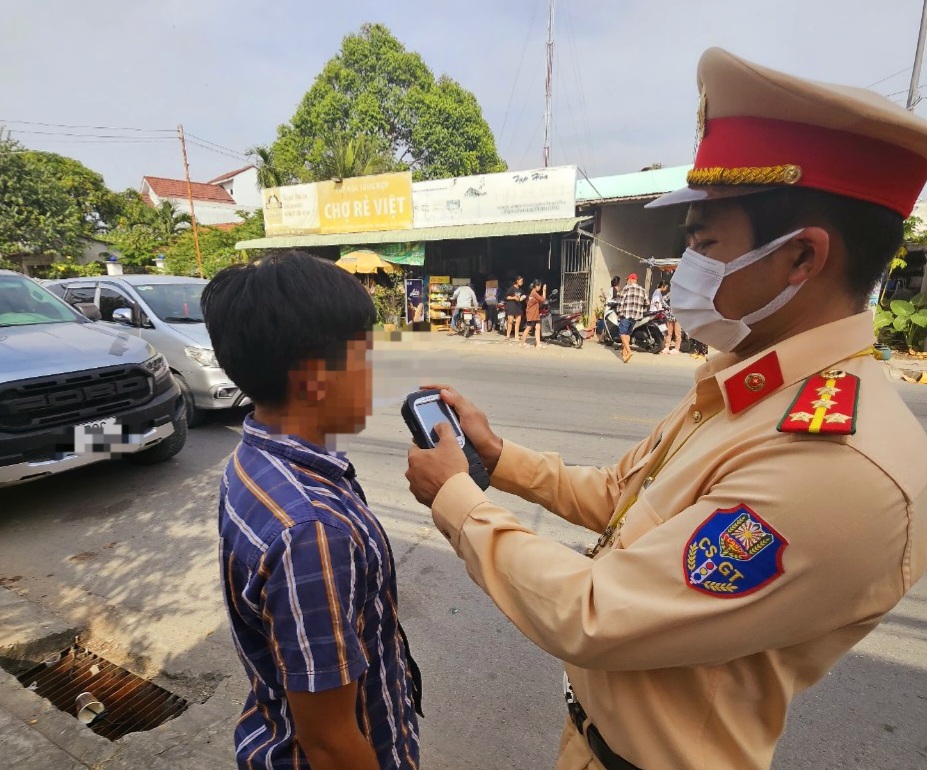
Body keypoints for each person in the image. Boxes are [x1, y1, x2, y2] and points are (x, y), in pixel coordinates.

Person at [404, 47, 927, 770]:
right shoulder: (747, 383)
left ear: (801, 258)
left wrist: (456, 499)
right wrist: (499, 461)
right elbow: (625, 497)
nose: (684, 271)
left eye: (704, 244)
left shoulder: (838, 458)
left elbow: (594, 610)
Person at [202, 252, 421, 770]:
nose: (376, 375)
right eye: (366, 357)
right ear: (316, 379)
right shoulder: (312, 530)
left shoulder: (255, 460)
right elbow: (328, 742)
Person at [615, 272, 648, 362]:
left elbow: (621, 302)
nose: (627, 281)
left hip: (626, 314)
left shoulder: (626, 288)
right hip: (635, 316)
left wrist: (619, 312)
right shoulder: (642, 290)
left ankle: (629, 351)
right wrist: (639, 308)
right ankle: (624, 351)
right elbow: (646, 303)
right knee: (628, 334)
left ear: (630, 279)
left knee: (622, 333)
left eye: (628, 280)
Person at [520, 279, 547, 349]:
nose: (540, 288)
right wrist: (544, 291)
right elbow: (543, 300)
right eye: (540, 286)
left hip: (535, 313)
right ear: (536, 286)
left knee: (537, 327)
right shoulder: (534, 293)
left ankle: (538, 344)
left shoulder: (534, 292)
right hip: (531, 313)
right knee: (528, 327)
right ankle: (522, 343)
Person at [596, 276, 622, 342]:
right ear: (618, 283)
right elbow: (616, 298)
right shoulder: (614, 289)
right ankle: (611, 336)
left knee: (607, 324)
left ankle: (601, 337)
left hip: (609, 308)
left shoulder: (610, 289)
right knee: (614, 322)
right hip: (611, 309)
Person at [504, 275, 526, 341]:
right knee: (510, 321)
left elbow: (520, 297)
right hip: (511, 306)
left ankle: (516, 335)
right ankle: (508, 335)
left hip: (518, 306)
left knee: (518, 321)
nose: (522, 282)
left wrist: (522, 298)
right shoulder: (511, 289)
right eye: (521, 281)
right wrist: (514, 298)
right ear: (517, 281)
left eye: (522, 281)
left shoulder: (521, 289)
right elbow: (506, 297)